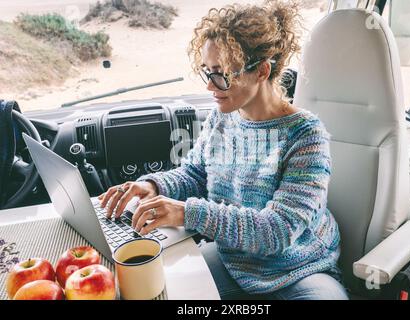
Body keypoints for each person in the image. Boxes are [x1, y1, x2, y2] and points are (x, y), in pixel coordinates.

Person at [99, 0, 348, 300]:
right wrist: (152, 185)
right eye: (207, 72)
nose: (210, 86)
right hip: (233, 261)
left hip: (298, 271)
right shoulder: (222, 117)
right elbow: (195, 174)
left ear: (262, 71)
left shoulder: (306, 136)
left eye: (222, 73)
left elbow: (278, 231)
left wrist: (187, 213)